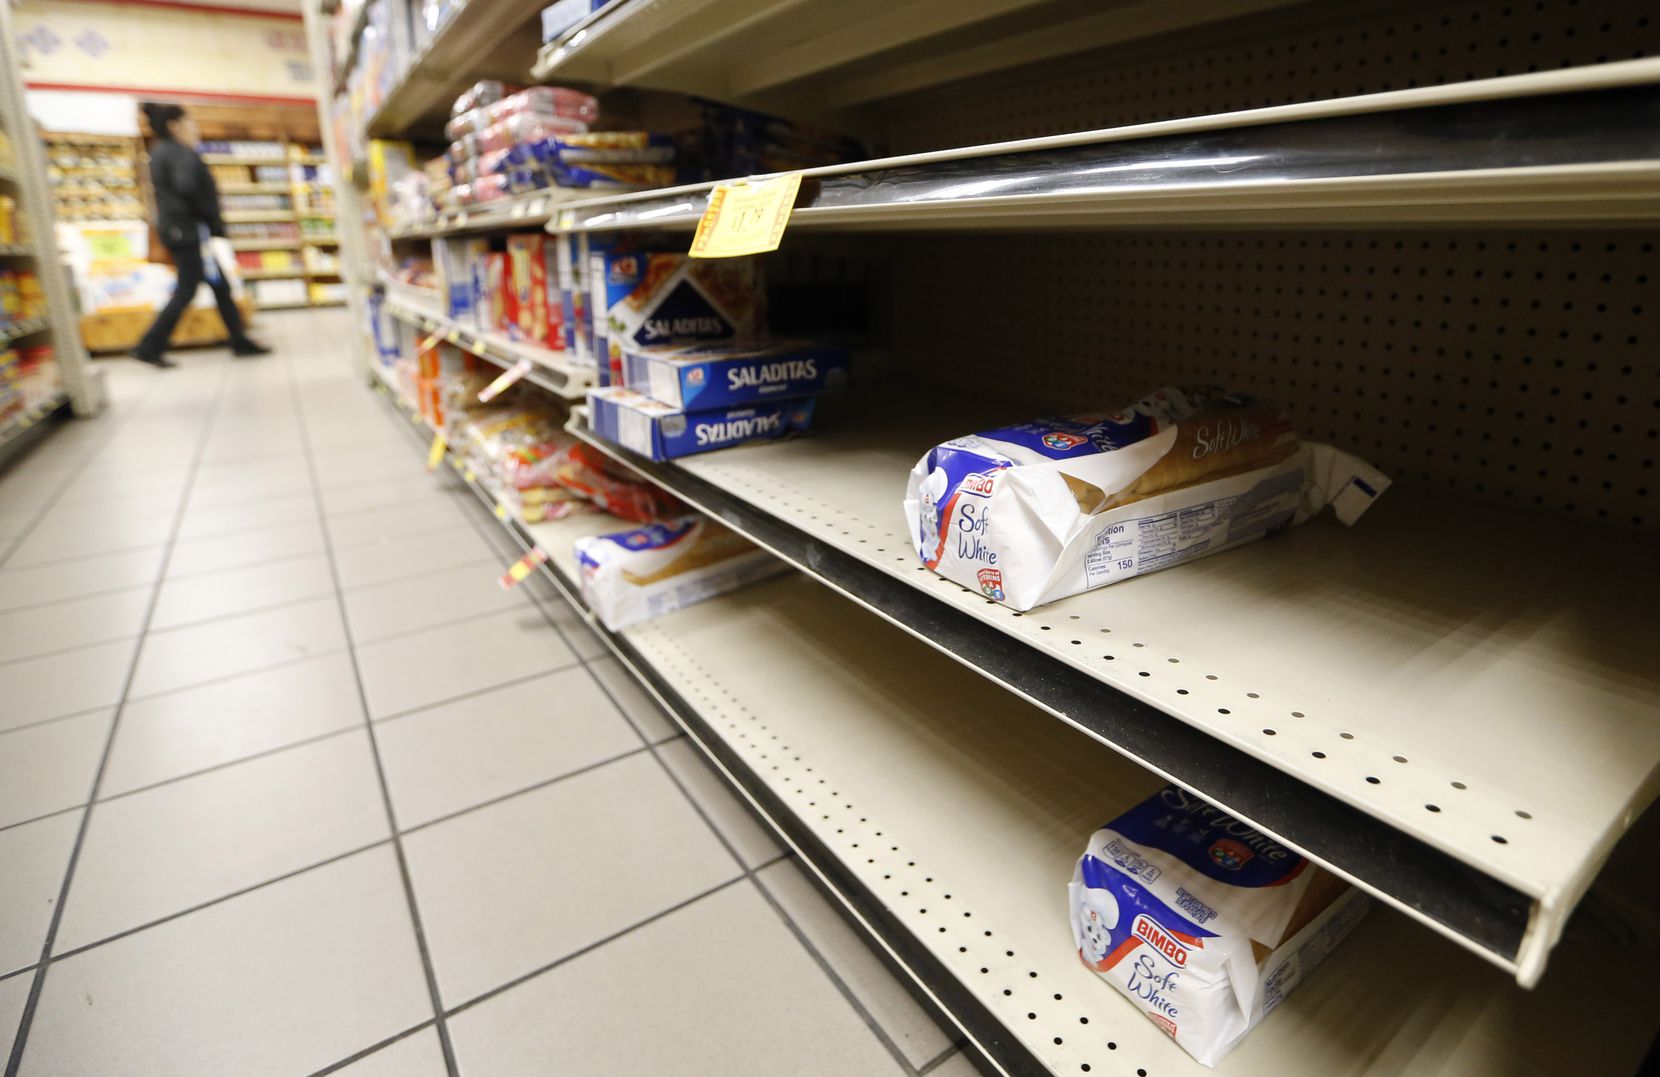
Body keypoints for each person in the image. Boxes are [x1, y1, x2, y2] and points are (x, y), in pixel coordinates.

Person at [131, 103, 269, 368]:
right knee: (187, 290)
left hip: (182, 231)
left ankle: (238, 339)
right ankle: (149, 344)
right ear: (175, 125)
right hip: (189, 232)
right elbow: (189, 188)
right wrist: (210, 218)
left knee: (220, 286)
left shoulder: (159, 152)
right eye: (191, 123)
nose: (196, 129)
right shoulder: (180, 154)